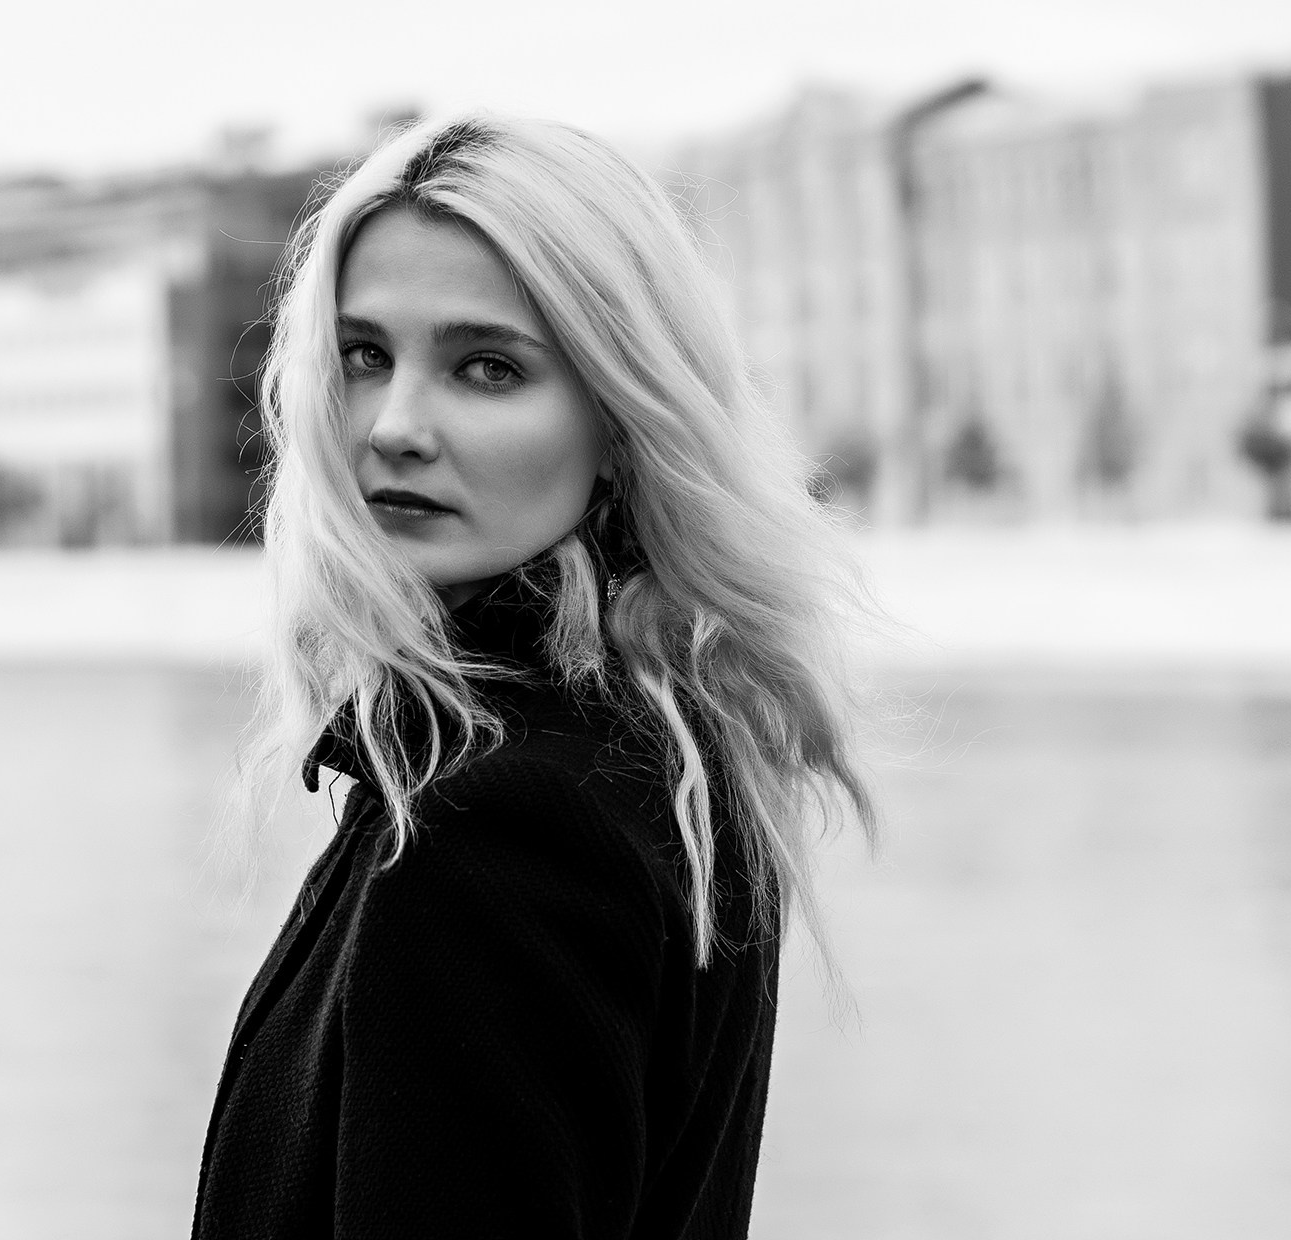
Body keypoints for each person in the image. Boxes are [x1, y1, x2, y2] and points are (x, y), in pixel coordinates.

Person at [191, 112, 879, 1240]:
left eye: (488, 367)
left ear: (619, 417)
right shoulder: (658, 756)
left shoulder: (501, 829)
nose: (395, 426)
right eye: (364, 355)